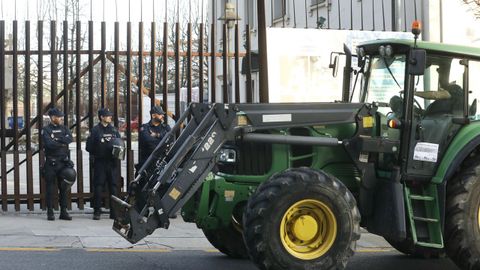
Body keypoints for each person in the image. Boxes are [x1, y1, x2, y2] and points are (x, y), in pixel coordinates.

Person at [86, 108, 121, 220]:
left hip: (112, 162)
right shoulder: (95, 130)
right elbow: (89, 147)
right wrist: (99, 150)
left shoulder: (114, 130)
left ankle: (114, 212)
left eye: (110, 115)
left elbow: (120, 144)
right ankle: (97, 211)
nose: (110, 117)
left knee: (114, 187)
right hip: (100, 162)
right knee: (98, 186)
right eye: (108, 115)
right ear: (102, 117)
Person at [42, 107, 74, 221]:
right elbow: (48, 144)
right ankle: (50, 211)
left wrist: (57, 140)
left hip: (63, 162)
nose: (61, 118)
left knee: (64, 188)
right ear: (53, 118)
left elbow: (70, 139)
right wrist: (61, 141)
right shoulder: (46, 130)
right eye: (59, 117)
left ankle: (63, 211)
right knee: (50, 188)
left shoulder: (64, 128)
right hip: (51, 163)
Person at [137, 106, 171, 170]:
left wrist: (157, 135)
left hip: (163, 162)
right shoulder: (145, 127)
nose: (163, 116)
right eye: (160, 114)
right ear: (153, 116)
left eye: (162, 114)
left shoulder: (166, 127)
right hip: (147, 163)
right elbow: (148, 141)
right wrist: (163, 142)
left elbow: (171, 138)